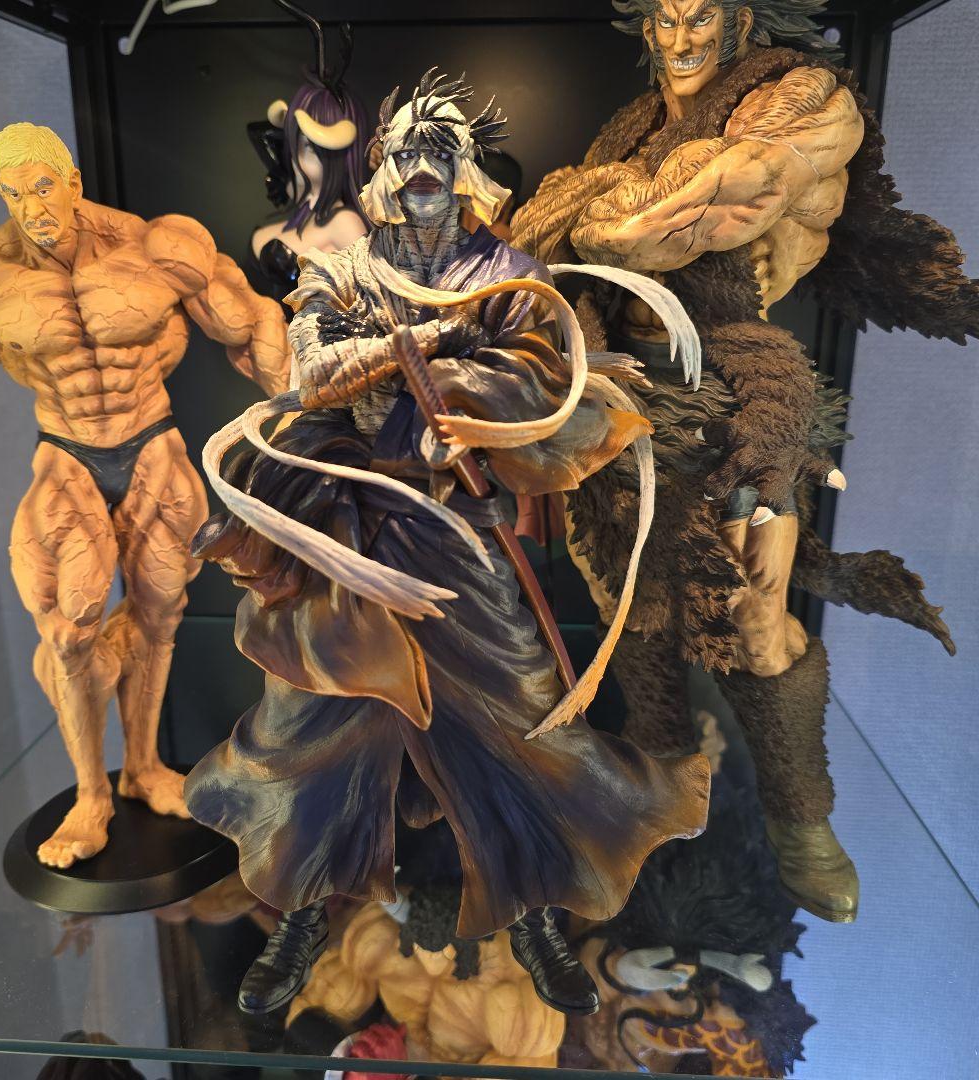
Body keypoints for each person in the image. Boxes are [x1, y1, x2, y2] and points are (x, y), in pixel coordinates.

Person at [186, 69, 710, 1019]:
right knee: (312, 709)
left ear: (467, 169)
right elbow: (311, 369)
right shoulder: (346, 267)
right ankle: (301, 910)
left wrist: (467, 403)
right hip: (347, 520)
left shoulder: (505, 273)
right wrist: (406, 355)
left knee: (523, 707)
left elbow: (539, 373)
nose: (424, 171)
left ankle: (539, 907)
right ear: (384, 168)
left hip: (458, 523)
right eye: (409, 154)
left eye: (441, 153)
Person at [512, 0, 979, 922]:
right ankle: (658, 788)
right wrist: (592, 202)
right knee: (631, 609)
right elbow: (536, 245)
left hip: (738, 398)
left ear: (740, 18)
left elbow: (670, 219)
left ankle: (802, 818)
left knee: (758, 618)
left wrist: (595, 206)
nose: (681, 39)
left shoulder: (799, 99)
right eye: (664, 20)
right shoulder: (627, 131)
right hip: (620, 398)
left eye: (700, 18)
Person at [0, 123, 289, 868]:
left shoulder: (156, 248)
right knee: (70, 627)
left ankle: (142, 768)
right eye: (14, 194)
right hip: (67, 456)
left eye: (42, 187)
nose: (32, 207)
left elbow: (251, 324)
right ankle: (91, 796)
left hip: (152, 443)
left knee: (161, 610)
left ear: (73, 181)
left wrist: (304, 425)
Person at [244, 1, 369, 307]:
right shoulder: (297, 207)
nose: (298, 154)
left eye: (311, 146)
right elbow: (258, 132)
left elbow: (365, 310)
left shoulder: (346, 224)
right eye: (296, 142)